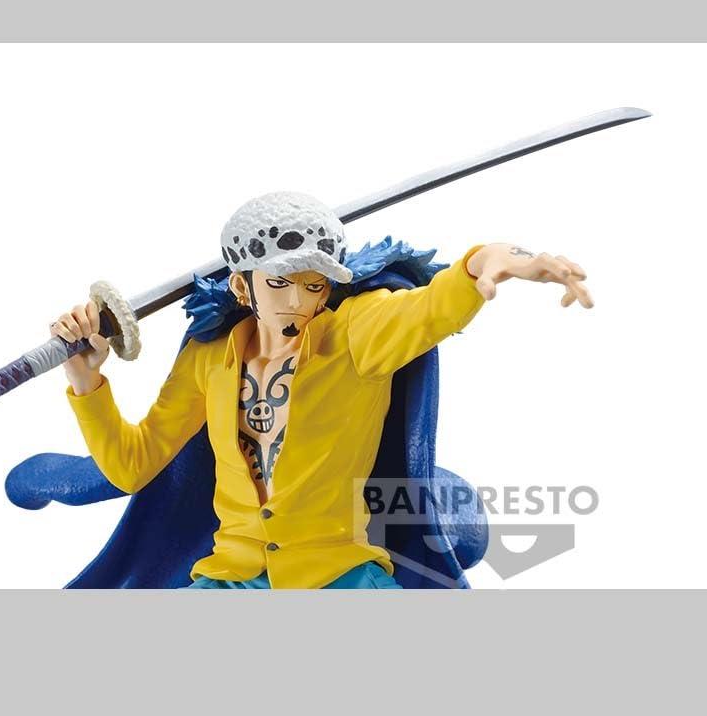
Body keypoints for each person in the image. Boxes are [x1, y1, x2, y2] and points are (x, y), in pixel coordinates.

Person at [50, 191, 592, 589]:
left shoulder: (357, 333)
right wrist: (86, 379)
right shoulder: (208, 358)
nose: (296, 301)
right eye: (278, 282)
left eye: (313, 285)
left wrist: (494, 258)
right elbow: (133, 465)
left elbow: (435, 306)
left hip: (339, 576)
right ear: (241, 285)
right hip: (231, 577)